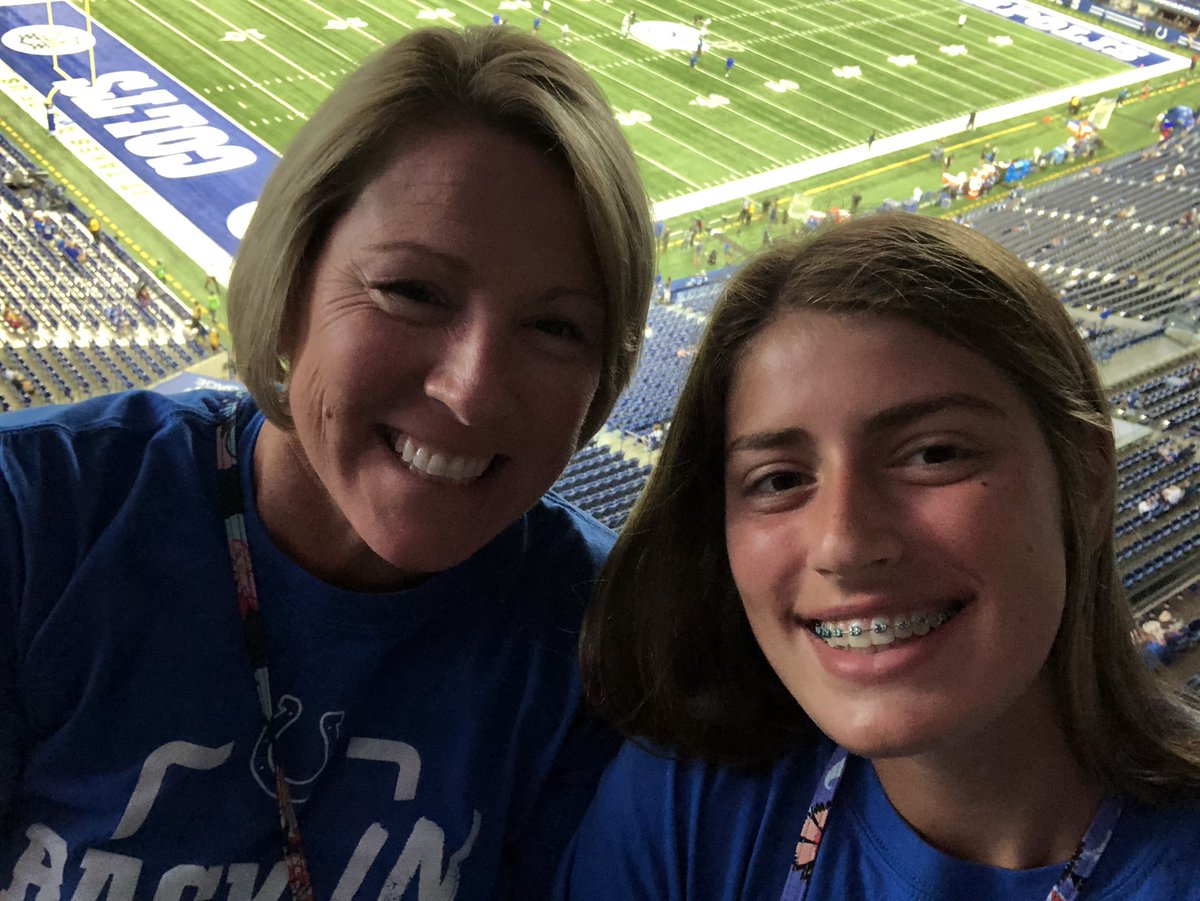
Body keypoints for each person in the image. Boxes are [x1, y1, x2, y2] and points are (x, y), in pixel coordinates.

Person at [0, 26, 655, 899]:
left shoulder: (600, 639)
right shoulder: (40, 519)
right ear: (292, 280)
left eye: (555, 327)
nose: (469, 390)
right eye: (412, 291)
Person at [562, 215, 1200, 900]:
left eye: (934, 454)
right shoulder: (686, 801)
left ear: (1087, 474)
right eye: (778, 479)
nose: (844, 543)